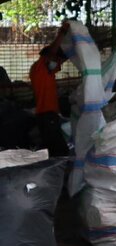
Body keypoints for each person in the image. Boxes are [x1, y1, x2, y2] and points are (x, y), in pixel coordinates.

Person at [30, 22, 70, 157]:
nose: (57, 62)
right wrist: (62, 33)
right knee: (60, 150)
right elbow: (53, 50)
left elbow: (60, 59)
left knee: (53, 148)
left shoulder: (47, 71)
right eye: (55, 59)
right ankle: (61, 173)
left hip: (47, 115)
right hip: (47, 115)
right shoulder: (40, 67)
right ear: (47, 57)